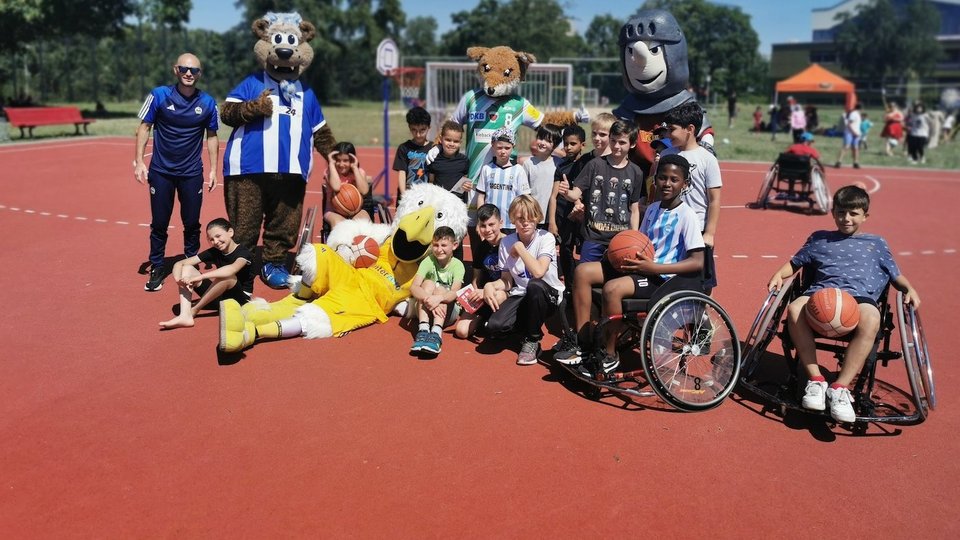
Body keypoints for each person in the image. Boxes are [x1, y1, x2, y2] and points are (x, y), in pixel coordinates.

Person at [767, 185, 921, 422]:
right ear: (833, 212)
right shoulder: (819, 238)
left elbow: (895, 274)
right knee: (795, 307)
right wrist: (779, 274)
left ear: (865, 216)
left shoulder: (876, 243)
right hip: (821, 295)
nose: (846, 218)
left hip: (858, 298)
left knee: (872, 317)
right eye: (840, 213)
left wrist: (908, 288)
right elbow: (795, 262)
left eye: (853, 214)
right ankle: (816, 381)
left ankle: (839, 388)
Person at [575, 154, 705, 374]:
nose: (667, 183)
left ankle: (609, 352)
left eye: (674, 179)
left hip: (661, 279)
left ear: (685, 184)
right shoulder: (653, 209)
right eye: (662, 178)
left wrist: (655, 268)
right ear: (655, 179)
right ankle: (583, 342)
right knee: (582, 272)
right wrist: (616, 253)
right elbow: (640, 242)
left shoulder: (687, 216)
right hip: (639, 268)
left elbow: (698, 262)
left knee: (612, 289)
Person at [555, 119, 644, 363]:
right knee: (585, 288)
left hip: (620, 244)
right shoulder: (595, 165)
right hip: (594, 239)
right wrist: (568, 192)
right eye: (613, 141)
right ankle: (584, 338)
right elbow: (577, 192)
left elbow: (634, 208)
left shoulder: (635, 172)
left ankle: (607, 342)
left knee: (611, 292)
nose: (616, 146)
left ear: (632, 144)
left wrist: (633, 237)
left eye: (622, 142)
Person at [134, 52, 219, 292]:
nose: (189, 74)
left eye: (194, 70)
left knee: (191, 223)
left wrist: (213, 170)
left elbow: (212, 137)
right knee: (159, 223)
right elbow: (144, 127)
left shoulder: (209, 103)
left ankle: (191, 263)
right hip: (161, 172)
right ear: (176, 70)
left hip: (192, 173)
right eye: (184, 69)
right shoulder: (159, 95)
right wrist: (139, 161)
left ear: (200, 74)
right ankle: (158, 265)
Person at [482, 195, 564, 365]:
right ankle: (525, 327)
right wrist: (490, 285)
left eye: (530, 218)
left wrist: (520, 248)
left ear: (537, 218)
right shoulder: (506, 242)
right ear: (513, 220)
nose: (525, 223)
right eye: (520, 218)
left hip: (547, 295)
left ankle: (532, 340)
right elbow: (506, 280)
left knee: (535, 285)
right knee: (495, 326)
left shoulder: (546, 238)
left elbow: (539, 271)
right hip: (522, 294)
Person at [658, 101, 722, 291]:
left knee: (701, 281)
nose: (668, 135)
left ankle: (700, 315)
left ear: (690, 129)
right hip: (670, 226)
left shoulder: (707, 159)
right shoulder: (666, 155)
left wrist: (709, 233)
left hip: (697, 229)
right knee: (670, 276)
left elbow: (714, 199)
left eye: (672, 130)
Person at [158, 218, 254, 330]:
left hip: (240, 301)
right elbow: (180, 264)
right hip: (221, 296)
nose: (216, 242)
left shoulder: (243, 252)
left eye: (218, 236)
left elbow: (231, 270)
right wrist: (179, 280)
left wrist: (200, 276)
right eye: (211, 239)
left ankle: (194, 310)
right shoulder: (215, 251)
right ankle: (185, 316)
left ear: (230, 232)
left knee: (227, 277)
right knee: (188, 268)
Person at [409, 226, 465, 356]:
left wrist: (438, 299)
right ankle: (423, 330)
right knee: (427, 283)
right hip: (426, 309)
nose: (439, 250)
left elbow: (454, 292)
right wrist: (429, 300)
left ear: (454, 245)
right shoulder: (428, 261)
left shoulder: (458, 265)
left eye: (444, 245)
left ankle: (436, 334)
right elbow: (414, 287)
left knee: (440, 290)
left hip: (447, 313)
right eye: (435, 245)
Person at [454, 204, 505, 339]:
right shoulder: (481, 248)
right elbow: (476, 279)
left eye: (491, 224)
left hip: (503, 293)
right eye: (483, 225)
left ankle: (497, 321)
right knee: (461, 331)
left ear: (501, 223)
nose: (487, 229)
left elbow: (512, 281)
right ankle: (483, 320)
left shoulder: (509, 244)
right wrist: (470, 298)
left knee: (498, 296)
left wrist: (486, 292)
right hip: (483, 296)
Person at [475, 127, 530, 234]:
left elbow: (524, 199)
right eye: (499, 147)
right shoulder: (487, 169)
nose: (503, 151)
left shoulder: (518, 170)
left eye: (507, 148)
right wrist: (480, 221)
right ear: (493, 146)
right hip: (490, 224)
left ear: (513, 147)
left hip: (511, 225)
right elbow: (481, 196)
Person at [550, 125, 586, 287]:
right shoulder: (561, 167)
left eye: (573, 144)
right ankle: (570, 286)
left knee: (584, 249)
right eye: (566, 143)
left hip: (582, 215)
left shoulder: (589, 164)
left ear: (582, 145)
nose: (568, 147)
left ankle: (582, 283)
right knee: (565, 249)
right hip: (563, 216)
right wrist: (552, 221)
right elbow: (553, 196)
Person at [521, 123, 562, 230]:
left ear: (555, 145)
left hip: (552, 217)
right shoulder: (528, 163)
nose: (543, 143)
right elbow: (524, 191)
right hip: (532, 216)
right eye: (540, 138)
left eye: (549, 141)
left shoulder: (559, 164)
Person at [324, 141, 370, 229]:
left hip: (356, 210)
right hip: (334, 211)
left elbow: (364, 191)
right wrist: (331, 164)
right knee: (340, 225)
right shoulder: (329, 173)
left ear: (352, 160)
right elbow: (336, 187)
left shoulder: (359, 172)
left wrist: (355, 167)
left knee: (364, 223)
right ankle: (340, 243)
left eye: (345, 160)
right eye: (338, 160)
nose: (341, 164)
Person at [393, 106, 433, 201]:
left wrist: (429, 196)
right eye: (414, 130)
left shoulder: (433, 149)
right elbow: (402, 173)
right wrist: (404, 196)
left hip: (425, 197)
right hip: (407, 196)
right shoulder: (404, 148)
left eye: (422, 130)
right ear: (409, 127)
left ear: (429, 127)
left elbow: (433, 176)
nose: (418, 134)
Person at [834, 102, 862, 169]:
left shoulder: (858, 114)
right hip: (849, 133)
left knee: (855, 148)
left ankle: (855, 162)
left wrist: (857, 133)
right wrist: (853, 132)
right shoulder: (853, 114)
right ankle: (839, 161)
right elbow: (849, 124)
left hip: (856, 133)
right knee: (846, 147)